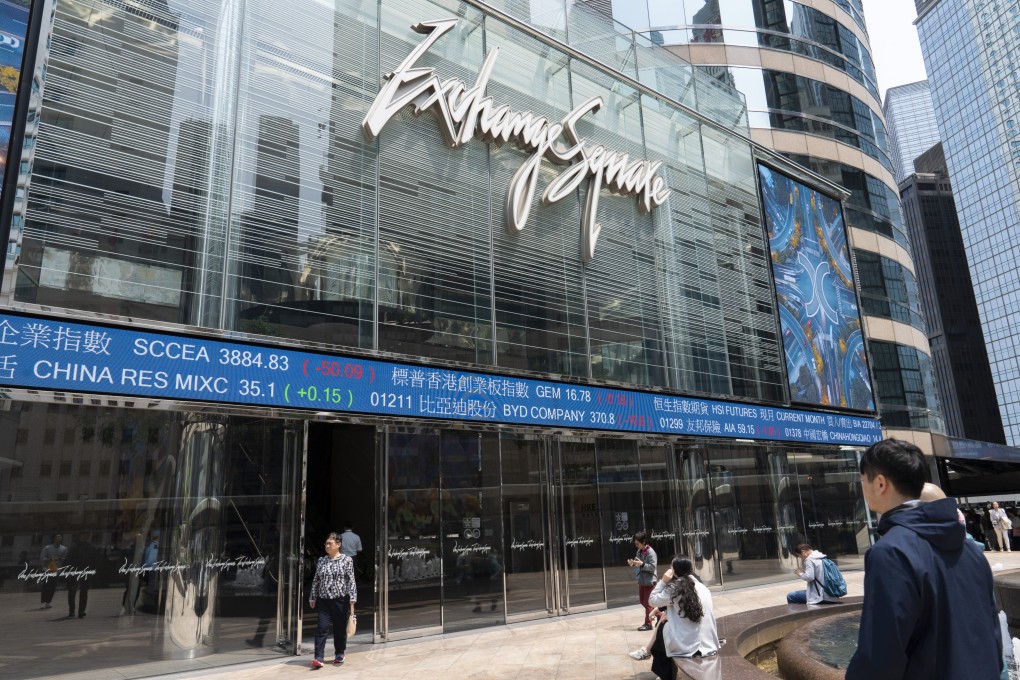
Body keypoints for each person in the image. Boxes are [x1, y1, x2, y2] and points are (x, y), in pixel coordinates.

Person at [846, 439, 1001, 680]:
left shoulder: (890, 552)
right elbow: (992, 632)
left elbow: (881, 655)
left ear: (879, 483)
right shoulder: (970, 548)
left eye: (863, 481)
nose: (863, 489)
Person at [647, 555, 720, 679]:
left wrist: (663, 581)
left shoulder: (674, 588)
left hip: (686, 646)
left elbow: (652, 600)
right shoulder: (703, 587)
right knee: (665, 621)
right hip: (709, 643)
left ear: (674, 571)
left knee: (662, 628)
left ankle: (665, 673)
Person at [309, 532, 357, 669]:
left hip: (340, 600)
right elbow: (316, 580)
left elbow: (351, 580)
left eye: (330, 543)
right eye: (326, 543)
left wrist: (352, 598)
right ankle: (318, 657)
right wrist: (313, 596)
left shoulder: (346, 560)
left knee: (339, 628)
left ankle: (340, 653)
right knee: (322, 628)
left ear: (338, 544)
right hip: (323, 600)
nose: (327, 545)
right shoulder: (321, 560)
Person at [628, 530, 661, 631]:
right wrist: (633, 563)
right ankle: (660, 614)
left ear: (643, 542)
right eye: (635, 544)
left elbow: (652, 567)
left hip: (650, 581)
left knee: (647, 603)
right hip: (642, 580)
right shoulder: (639, 551)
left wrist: (641, 564)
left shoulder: (651, 552)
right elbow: (638, 562)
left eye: (638, 544)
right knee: (642, 601)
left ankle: (648, 624)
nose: (636, 546)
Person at [65, 532, 97, 618]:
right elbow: (68, 559)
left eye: (87, 535)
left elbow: (93, 560)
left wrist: (92, 570)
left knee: (84, 592)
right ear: (80, 536)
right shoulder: (74, 546)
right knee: (72, 591)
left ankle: (81, 611)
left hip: (86, 571)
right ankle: (72, 611)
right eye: (84, 535)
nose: (86, 536)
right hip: (75, 571)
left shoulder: (90, 547)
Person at [39, 534, 67, 610]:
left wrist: (61, 559)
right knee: (45, 586)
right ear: (54, 539)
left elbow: (66, 558)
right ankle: (43, 602)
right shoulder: (47, 548)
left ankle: (49, 601)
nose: (59, 539)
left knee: (53, 586)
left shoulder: (64, 549)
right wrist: (50, 559)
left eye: (60, 537)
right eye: (57, 537)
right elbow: (42, 558)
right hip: (47, 569)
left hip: (57, 569)